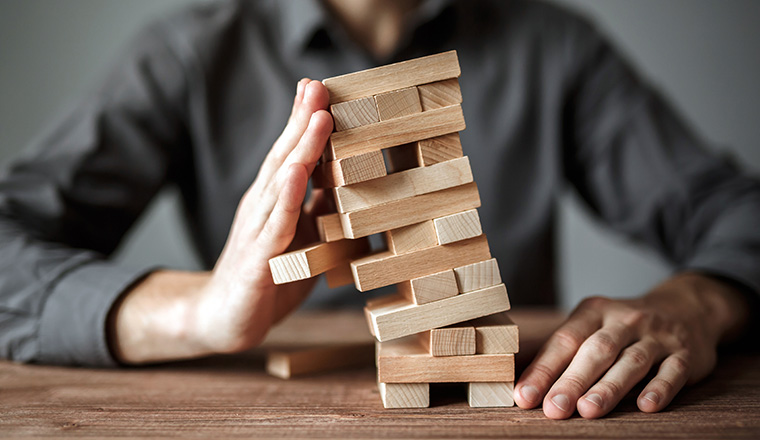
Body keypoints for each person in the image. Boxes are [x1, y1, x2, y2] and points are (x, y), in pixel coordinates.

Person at [0, 0, 758, 420]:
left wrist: (697, 299)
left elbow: (734, 211)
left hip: (512, 399)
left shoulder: (555, 46)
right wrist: (195, 310)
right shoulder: (188, 53)